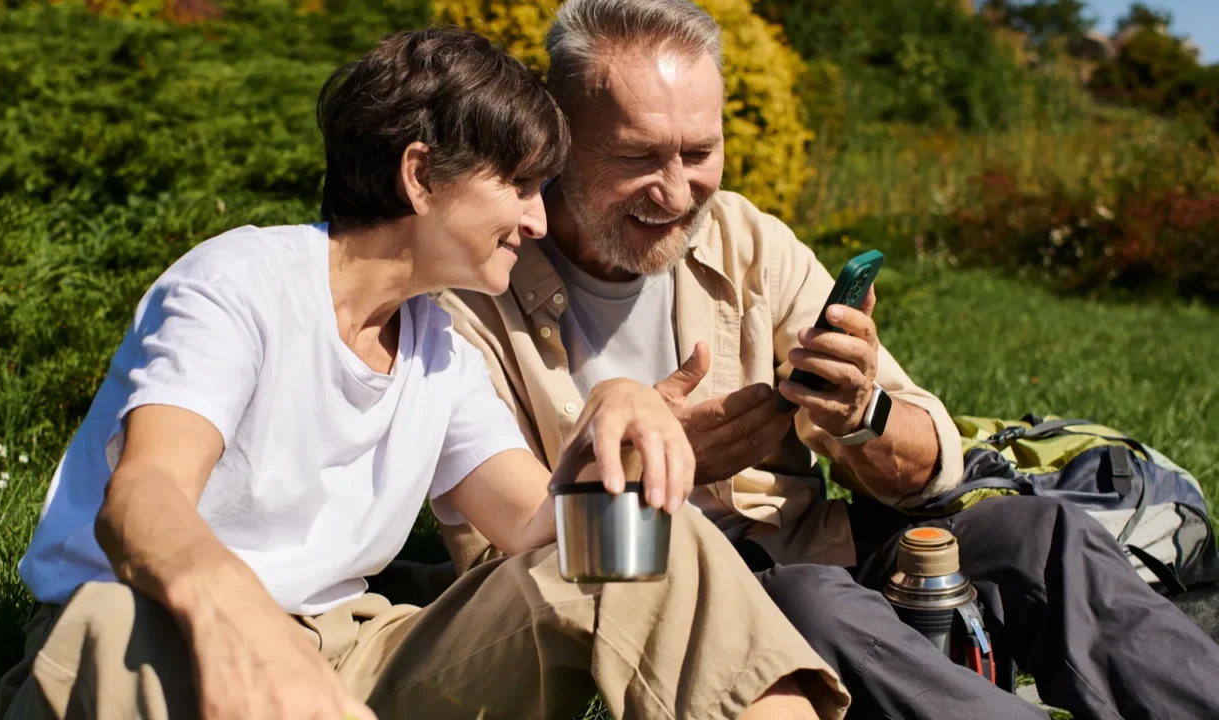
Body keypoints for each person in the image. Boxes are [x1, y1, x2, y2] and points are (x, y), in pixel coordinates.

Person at [0, 27, 851, 720]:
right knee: (113, 619)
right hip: (161, 634)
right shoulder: (239, 284)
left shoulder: (434, 344)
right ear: (419, 176)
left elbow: (536, 530)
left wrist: (615, 414)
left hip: (352, 650)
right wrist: (240, 624)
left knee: (642, 551)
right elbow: (140, 497)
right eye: (518, 185)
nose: (535, 216)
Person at [430, 1, 1219, 719]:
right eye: (640, 157)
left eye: (699, 152)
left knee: (1037, 533)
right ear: (559, 137)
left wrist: (862, 417)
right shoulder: (472, 294)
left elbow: (930, 472)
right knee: (813, 605)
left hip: (815, 551)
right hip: (666, 602)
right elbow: (511, 567)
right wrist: (651, 470)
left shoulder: (747, 241)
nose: (675, 192)